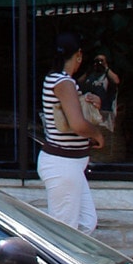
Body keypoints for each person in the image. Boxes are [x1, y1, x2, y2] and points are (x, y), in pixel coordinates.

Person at [39, 30, 105, 232]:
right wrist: (97, 135)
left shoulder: (56, 80)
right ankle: (55, 263)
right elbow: (77, 124)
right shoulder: (64, 82)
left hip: (69, 165)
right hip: (63, 164)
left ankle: (73, 262)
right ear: (78, 55)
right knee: (64, 232)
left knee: (85, 223)